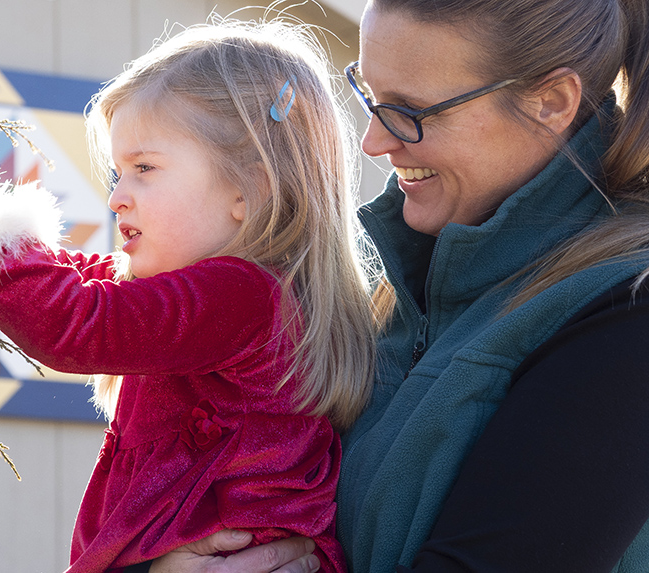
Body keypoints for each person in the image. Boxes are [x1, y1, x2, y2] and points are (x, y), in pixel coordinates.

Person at [0, 19, 377, 573]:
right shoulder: (204, 294)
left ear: (250, 187)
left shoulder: (248, 297)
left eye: (144, 167)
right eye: (117, 172)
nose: (117, 195)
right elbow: (40, 279)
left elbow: (69, 322)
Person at [137, 0, 649, 571]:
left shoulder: (626, 309)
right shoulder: (388, 294)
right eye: (370, 96)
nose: (374, 142)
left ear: (549, 103)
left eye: (410, 111)